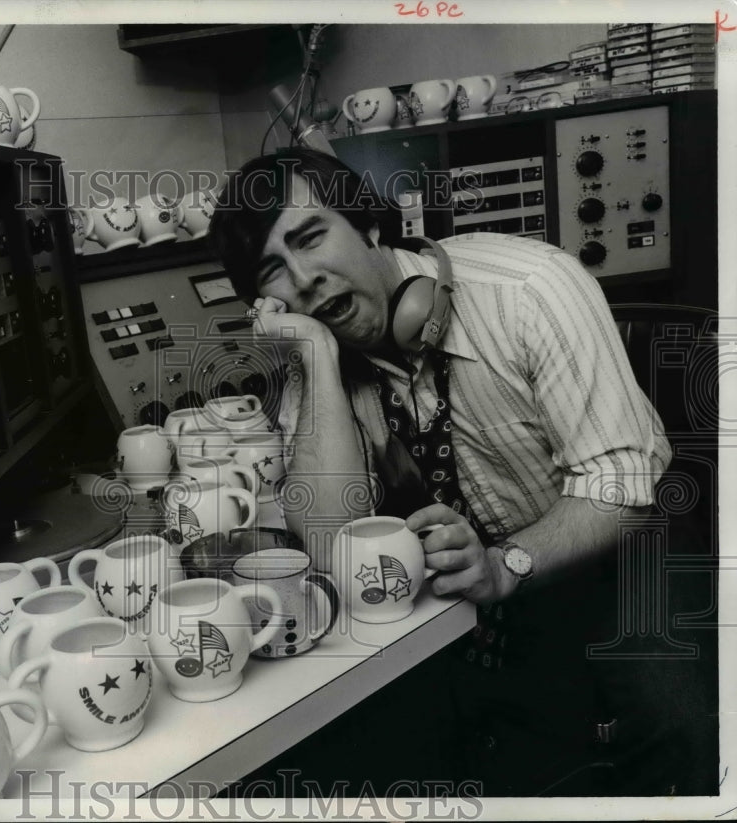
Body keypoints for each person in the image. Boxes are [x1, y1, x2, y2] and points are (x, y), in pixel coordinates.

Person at [208, 148, 679, 795]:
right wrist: (318, 358)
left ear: (369, 225)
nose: (306, 278)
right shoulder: (314, 355)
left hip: (600, 562)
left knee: (672, 724)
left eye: (312, 236)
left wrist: (506, 562)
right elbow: (327, 542)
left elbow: (624, 481)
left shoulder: (529, 289)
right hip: (463, 608)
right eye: (274, 271)